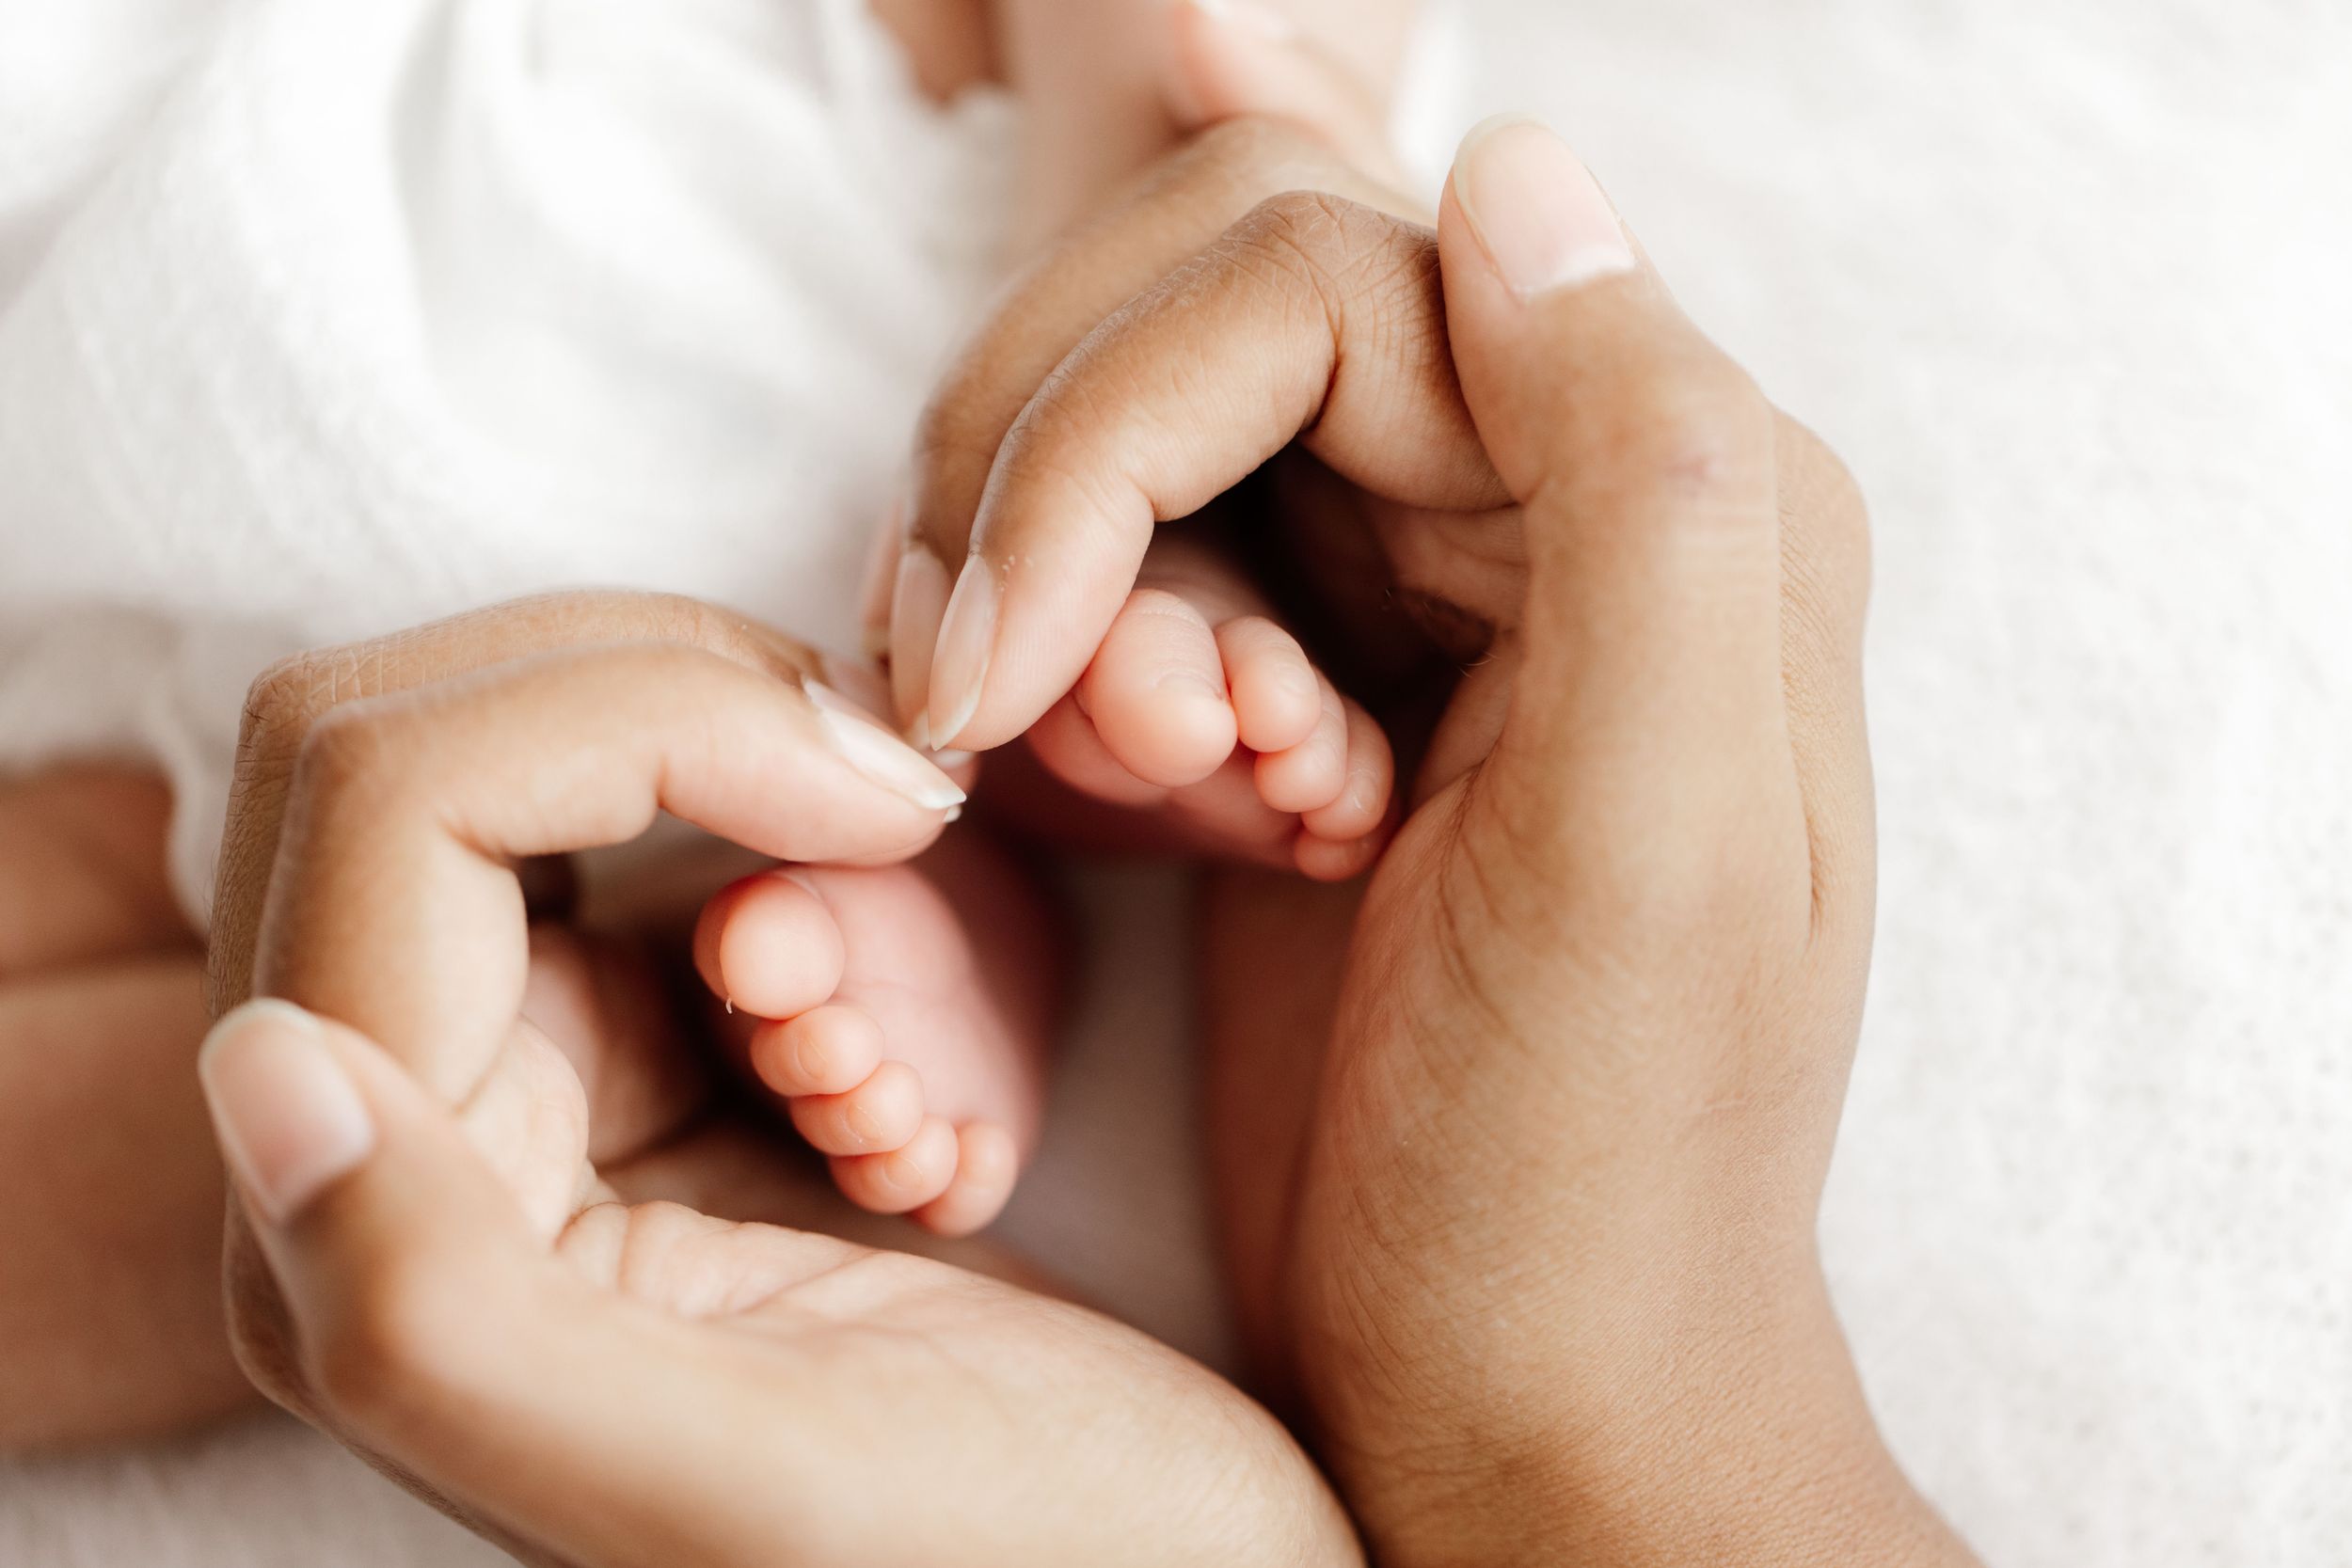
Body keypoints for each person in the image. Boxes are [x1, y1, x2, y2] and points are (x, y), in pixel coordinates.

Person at [198, 117, 1983, 1564]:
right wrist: (1574, 1464)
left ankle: (1023, 781)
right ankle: (1013, 801)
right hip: (688, 725)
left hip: (685, 703)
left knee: (276, 1089)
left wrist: (1580, 1454)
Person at [0, 0, 1416, 1445]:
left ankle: (1084, 613)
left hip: (854, 403)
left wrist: (1115, 285)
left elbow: (1235, 100)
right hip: (149, 607)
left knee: (1141, 263)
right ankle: (532, 1066)